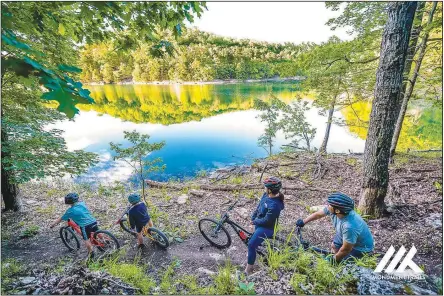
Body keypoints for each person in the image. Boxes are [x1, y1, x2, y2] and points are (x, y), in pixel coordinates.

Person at [296, 192, 374, 263]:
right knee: (334, 246)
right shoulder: (337, 210)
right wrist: (303, 221)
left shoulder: (349, 226)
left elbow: (346, 249)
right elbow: (318, 214)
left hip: (361, 248)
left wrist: (333, 260)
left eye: (330, 205)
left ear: (337, 211)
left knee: (344, 263)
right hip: (345, 235)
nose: (327, 205)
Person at [246, 176, 285, 275]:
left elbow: (267, 221)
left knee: (251, 245)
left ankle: (248, 270)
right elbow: (259, 207)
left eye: (265, 187)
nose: (264, 189)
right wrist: (253, 218)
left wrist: (255, 222)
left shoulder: (275, 205)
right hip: (260, 223)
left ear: (270, 190)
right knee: (255, 242)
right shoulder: (265, 195)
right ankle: (256, 250)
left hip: (268, 228)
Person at [50, 193, 98, 257]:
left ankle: (91, 253)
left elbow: (60, 219)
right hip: (93, 221)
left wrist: (53, 224)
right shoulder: (82, 204)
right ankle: (104, 239)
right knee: (96, 231)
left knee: (86, 239)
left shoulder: (69, 211)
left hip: (85, 225)